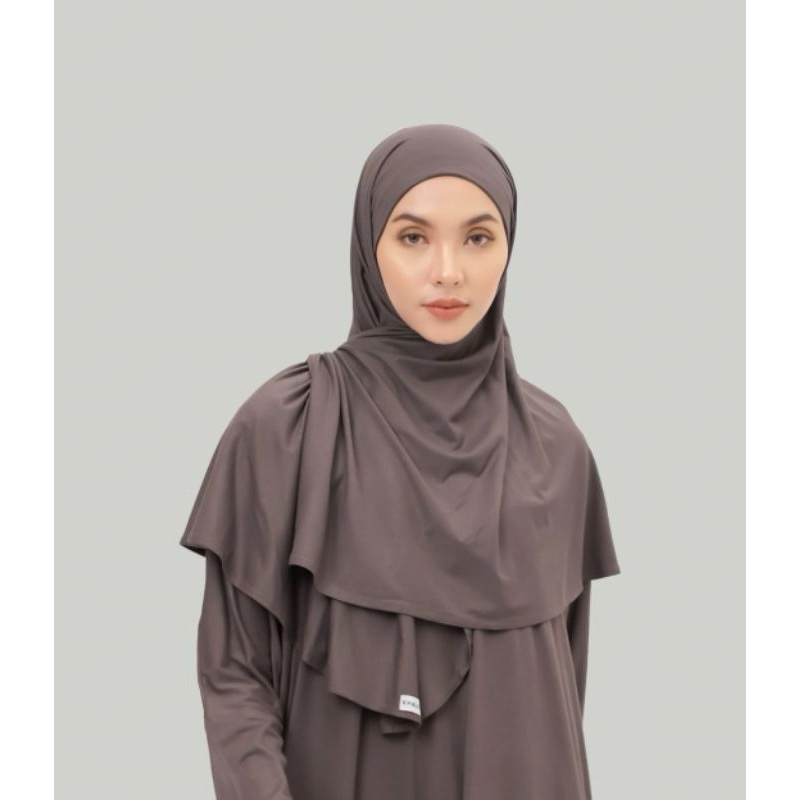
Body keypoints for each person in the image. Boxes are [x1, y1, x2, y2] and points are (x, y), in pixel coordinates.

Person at [179, 123, 621, 800]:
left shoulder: (555, 446)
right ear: (369, 245)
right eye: (413, 237)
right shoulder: (289, 427)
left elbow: (565, 683)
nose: (448, 271)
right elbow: (236, 674)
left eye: (478, 238)